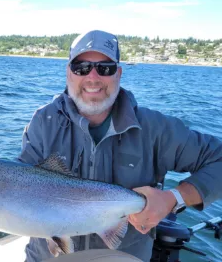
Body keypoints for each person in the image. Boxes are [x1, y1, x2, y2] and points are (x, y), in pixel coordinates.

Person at [17, 30, 222, 261]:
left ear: (119, 74)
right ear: (68, 73)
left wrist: (174, 198)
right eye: (81, 67)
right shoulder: (43, 123)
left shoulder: (155, 129)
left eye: (105, 68)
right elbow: (18, 181)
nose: (93, 78)